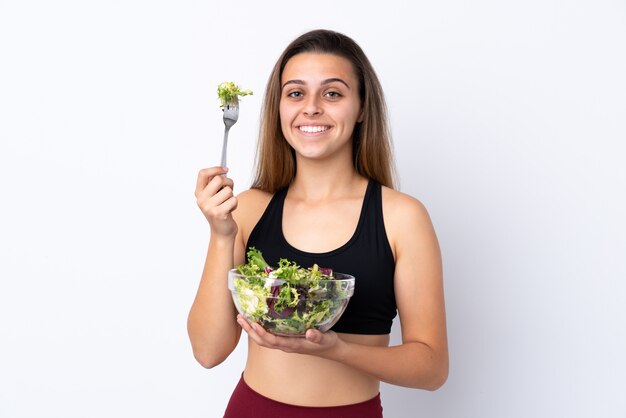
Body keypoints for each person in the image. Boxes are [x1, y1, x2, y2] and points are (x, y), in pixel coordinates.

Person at [188, 29, 448, 417]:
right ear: (279, 108)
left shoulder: (401, 218)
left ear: (361, 108)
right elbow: (208, 352)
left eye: (332, 93)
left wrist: (337, 350)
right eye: (295, 93)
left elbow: (431, 369)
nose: (311, 108)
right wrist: (221, 234)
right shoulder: (246, 210)